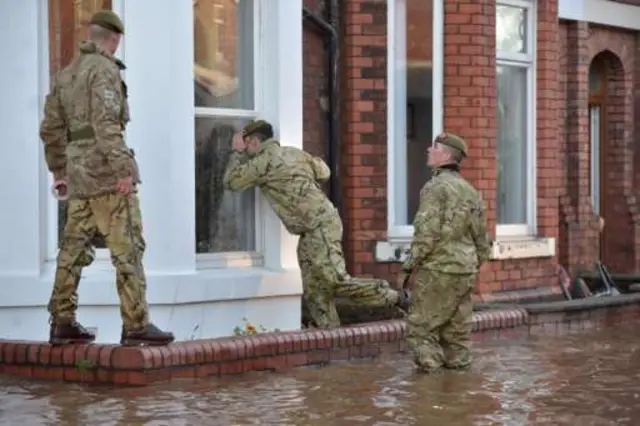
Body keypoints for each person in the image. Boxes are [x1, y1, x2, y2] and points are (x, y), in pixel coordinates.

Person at [39, 10, 174, 346]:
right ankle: (136, 324)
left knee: (72, 249)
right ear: (114, 39)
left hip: (78, 173)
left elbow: (51, 129)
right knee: (127, 246)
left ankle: (62, 321)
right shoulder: (104, 69)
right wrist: (123, 171)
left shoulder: (66, 75)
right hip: (105, 173)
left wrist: (59, 170)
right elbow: (106, 124)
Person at [223, 120, 411, 328]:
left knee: (335, 280)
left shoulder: (262, 162)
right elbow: (324, 172)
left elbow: (231, 182)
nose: (246, 147)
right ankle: (329, 333)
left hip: (319, 226)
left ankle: (397, 298)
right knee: (315, 290)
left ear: (254, 141)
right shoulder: (295, 153)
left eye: (246, 143)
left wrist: (236, 153)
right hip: (314, 228)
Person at [398, 132, 491, 374]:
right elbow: (482, 238)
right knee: (457, 338)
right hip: (465, 270)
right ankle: (458, 399)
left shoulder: (434, 188)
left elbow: (426, 234)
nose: (429, 150)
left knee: (421, 331)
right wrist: (473, 263)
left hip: (439, 269)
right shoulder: (470, 191)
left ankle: (430, 400)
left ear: (446, 155)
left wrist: (408, 268)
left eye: (434, 147)